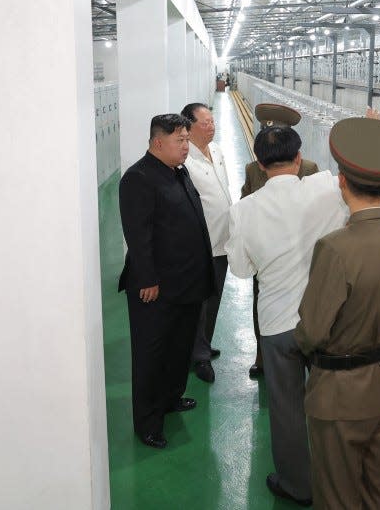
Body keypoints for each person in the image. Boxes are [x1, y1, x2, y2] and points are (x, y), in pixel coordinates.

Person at [294, 117, 380, 510]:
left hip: (339, 395)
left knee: (338, 496)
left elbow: (312, 331)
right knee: (378, 492)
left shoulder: (336, 248)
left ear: (340, 180)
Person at [227, 125, 349, 507]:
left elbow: (242, 270)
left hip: (278, 326)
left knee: (287, 408)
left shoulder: (244, 210)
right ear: (300, 159)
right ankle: (338, 480)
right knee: (332, 403)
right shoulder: (325, 189)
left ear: (260, 165)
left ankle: (297, 485)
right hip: (324, 319)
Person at [117, 113, 214, 450]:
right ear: (158, 143)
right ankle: (147, 422)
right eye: (180, 141)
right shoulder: (138, 178)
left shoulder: (178, 171)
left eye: (187, 139)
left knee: (178, 348)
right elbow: (137, 234)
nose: (187, 147)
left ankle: (172, 398)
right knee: (151, 355)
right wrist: (147, 278)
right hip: (155, 288)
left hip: (185, 282)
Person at [240, 103, 319, 379]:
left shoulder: (309, 168)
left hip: (299, 249)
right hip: (266, 253)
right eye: (266, 128)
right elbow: (245, 199)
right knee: (260, 304)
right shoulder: (253, 170)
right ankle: (262, 358)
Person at [180, 102, 232, 384]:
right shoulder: (185, 160)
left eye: (213, 121)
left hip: (223, 240)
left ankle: (205, 343)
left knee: (214, 298)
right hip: (201, 244)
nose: (212, 126)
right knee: (199, 303)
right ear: (188, 125)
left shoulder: (219, 151)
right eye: (206, 122)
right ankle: (197, 356)